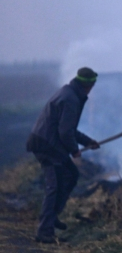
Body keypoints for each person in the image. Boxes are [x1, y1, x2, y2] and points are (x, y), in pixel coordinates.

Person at [26, 67, 100, 243]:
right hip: (47, 145)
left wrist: (88, 142)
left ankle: (51, 217)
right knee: (55, 185)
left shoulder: (70, 93)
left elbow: (70, 129)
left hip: (50, 144)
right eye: (93, 85)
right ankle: (44, 231)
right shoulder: (70, 99)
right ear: (87, 85)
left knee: (71, 175)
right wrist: (75, 150)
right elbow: (66, 132)